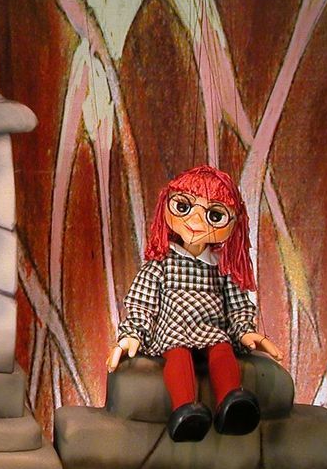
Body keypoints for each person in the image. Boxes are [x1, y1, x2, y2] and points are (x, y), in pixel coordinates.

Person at [107, 165, 282, 443]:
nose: (197, 221)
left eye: (215, 215)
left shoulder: (220, 267)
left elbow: (237, 305)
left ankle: (232, 403)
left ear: (234, 221)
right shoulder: (161, 263)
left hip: (212, 329)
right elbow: (143, 303)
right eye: (184, 207)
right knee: (178, 354)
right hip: (173, 331)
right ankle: (186, 410)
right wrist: (132, 334)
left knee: (222, 349)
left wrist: (246, 331)